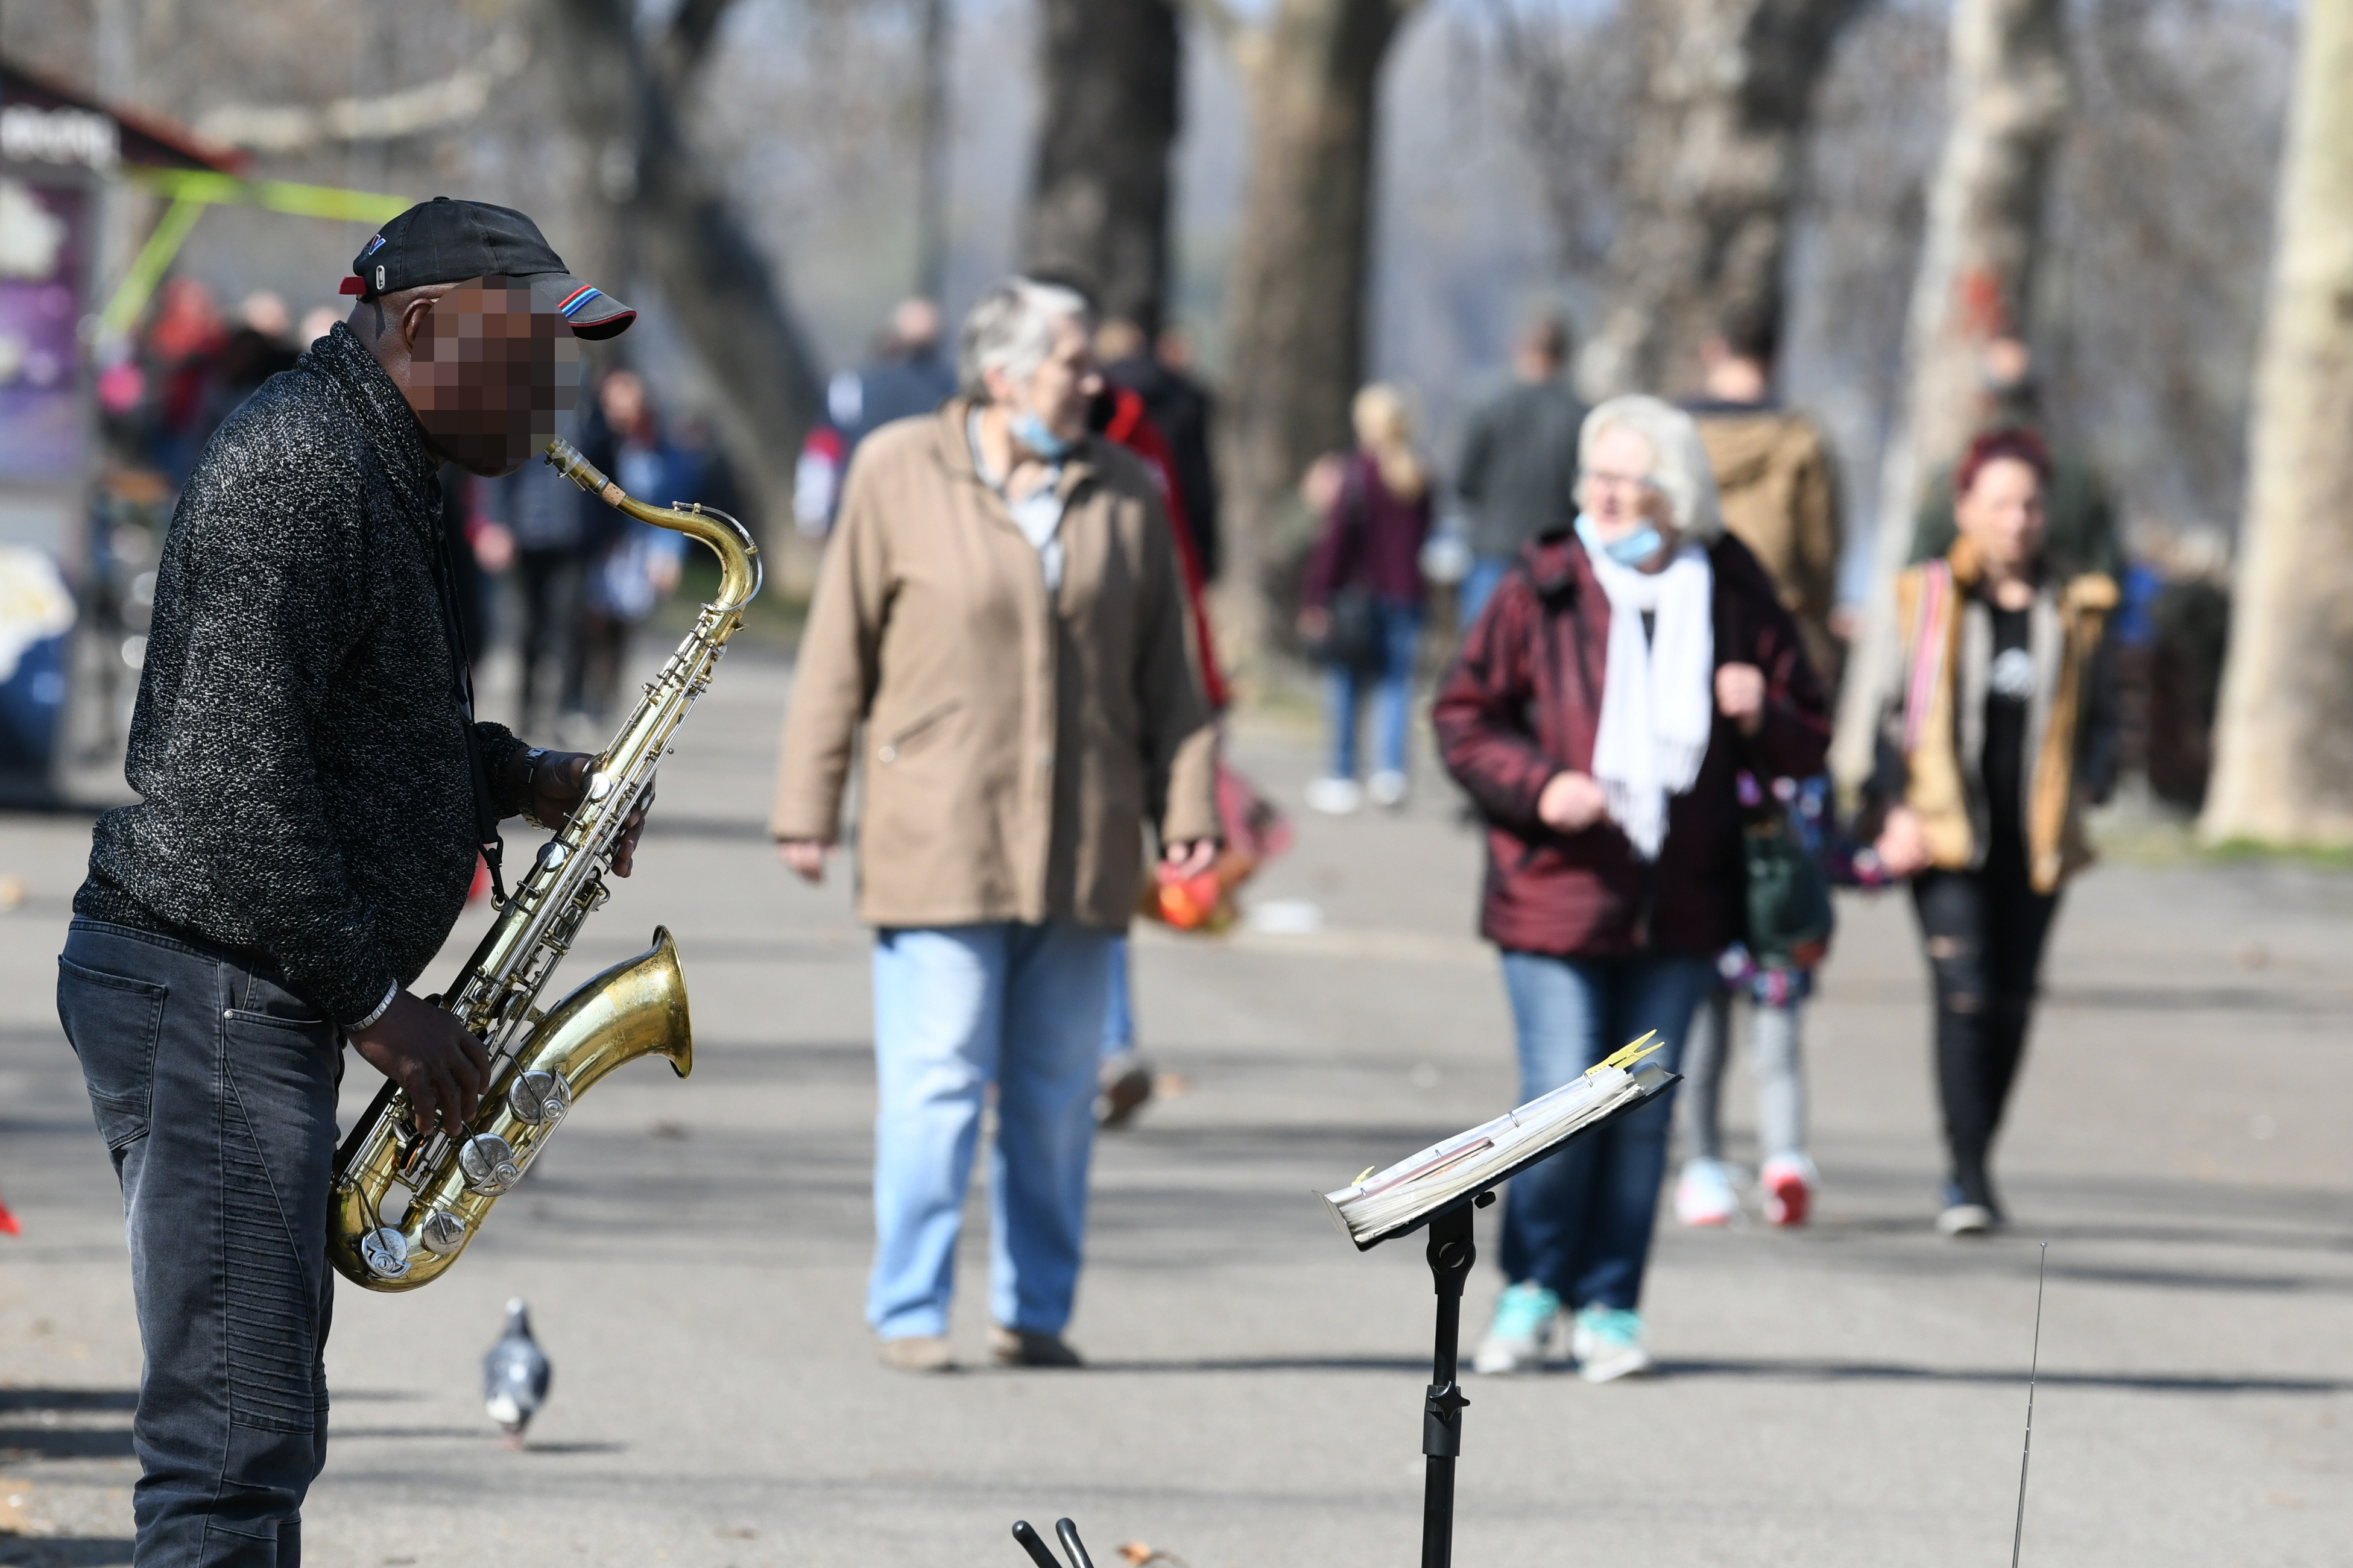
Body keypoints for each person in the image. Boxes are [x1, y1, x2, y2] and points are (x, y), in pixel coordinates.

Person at [54, 197, 646, 1563]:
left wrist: (517, 773)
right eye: (533, 350)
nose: (561, 390)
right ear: (424, 325)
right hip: (211, 985)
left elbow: (346, 725)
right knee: (228, 1453)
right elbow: (225, 783)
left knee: (254, 1442)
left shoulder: (378, 456)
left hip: (241, 987)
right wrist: (381, 1000)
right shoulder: (305, 464)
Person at [769, 277, 1218, 1373]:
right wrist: (807, 802)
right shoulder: (897, 471)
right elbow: (838, 650)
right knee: (935, 1081)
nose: (1095, 380)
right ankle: (911, 1307)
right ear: (1006, 375)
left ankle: (1035, 1308)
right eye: (1072, 361)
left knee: (1060, 1096)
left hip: (1082, 839)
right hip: (939, 830)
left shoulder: (1126, 488)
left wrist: (1188, 805)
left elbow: (1173, 672)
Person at [1433, 395, 1830, 1380]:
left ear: (1678, 495)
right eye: (1595, 480)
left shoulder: (1730, 587)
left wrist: (1760, 705)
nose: (1606, 500)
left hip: (1682, 899)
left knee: (1638, 1112)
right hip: (1554, 890)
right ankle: (1531, 1289)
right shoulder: (1543, 584)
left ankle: (1611, 1304)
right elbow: (1464, 717)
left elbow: (1808, 735)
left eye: (1629, 483)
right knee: (1564, 1096)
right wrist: (1541, 786)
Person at [1867, 428, 2118, 1238]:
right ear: (1964, 507)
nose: (2017, 521)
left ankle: (1979, 1153)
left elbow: (2104, 716)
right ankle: (1963, 1173)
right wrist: (1887, 809)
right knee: (1964, 990)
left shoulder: (2076, 604)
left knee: (2010, 1001)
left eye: (2031, 505)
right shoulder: (1924, 597)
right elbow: (1874, 713)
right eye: (2001, 504)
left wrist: (2096, 774)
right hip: (1946, 835)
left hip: (2034, 840)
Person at [1674, 303, 1845, 1228]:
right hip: (1773, 705)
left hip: (1696, 720)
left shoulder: (1674, 440)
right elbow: (1820, 556)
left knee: (1703, 991)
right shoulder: (1797, 440)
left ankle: (1702, 1161)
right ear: (1772, 353)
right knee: (1775, 964)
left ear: (1712, 348)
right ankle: (1783, 1152)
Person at [1300, 384, 1435, 814]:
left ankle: (1342, 773)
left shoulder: (1354, 472)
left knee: (1345, 682)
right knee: (1396, 684)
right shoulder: (1418, 473)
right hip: (1406, 592)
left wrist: (1317, 596)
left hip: (1357, 594)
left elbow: (1335, 542)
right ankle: (1389, 772)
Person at [1909, 336, 2120, 582]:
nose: (2016, 523)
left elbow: (1918, 576)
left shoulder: (1950, 477)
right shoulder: (2081, 477)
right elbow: (2109, 573)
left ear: (1983, 400)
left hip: (1972, 615)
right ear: (2037, 398)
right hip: (2061, 613)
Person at [566, 369, 690, 734]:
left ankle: (605, 702)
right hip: (600, 546)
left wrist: (667, 553)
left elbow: (673, 500)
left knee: (622, 626)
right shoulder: (596, 439)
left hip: (639, 546)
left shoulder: (659, 447)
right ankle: (577, 700)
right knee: (589, 623)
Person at [1453, 315, 1584, 628]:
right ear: (1564, 355)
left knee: (1483, 656)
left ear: (1520, 349)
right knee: (1548, 656)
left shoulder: (1488, 410)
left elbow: (1463, 482)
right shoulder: (1581, 416)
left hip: (1493, 548)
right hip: (1555, 553)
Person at [1099, 316, 1222, 581]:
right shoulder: (1186, 401)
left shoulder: (1091, 412)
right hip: (1172, 538)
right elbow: (1196, 482)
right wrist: (1206, 556)